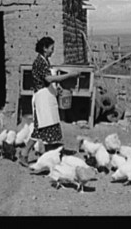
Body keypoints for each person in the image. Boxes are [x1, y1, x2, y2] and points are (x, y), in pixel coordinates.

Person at [18, 36, 80, 167]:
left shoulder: (45, 61)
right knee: (41, 128)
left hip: (48, 98)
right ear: (45, 48)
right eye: (51, 48)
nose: (53, 51)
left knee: (46, 128)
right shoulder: (39, 62)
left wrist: (57, 90)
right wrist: (69, 75)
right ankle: (26, 153)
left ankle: (48, 158)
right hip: (42, 99)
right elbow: (49, 79)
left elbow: (48, 82)